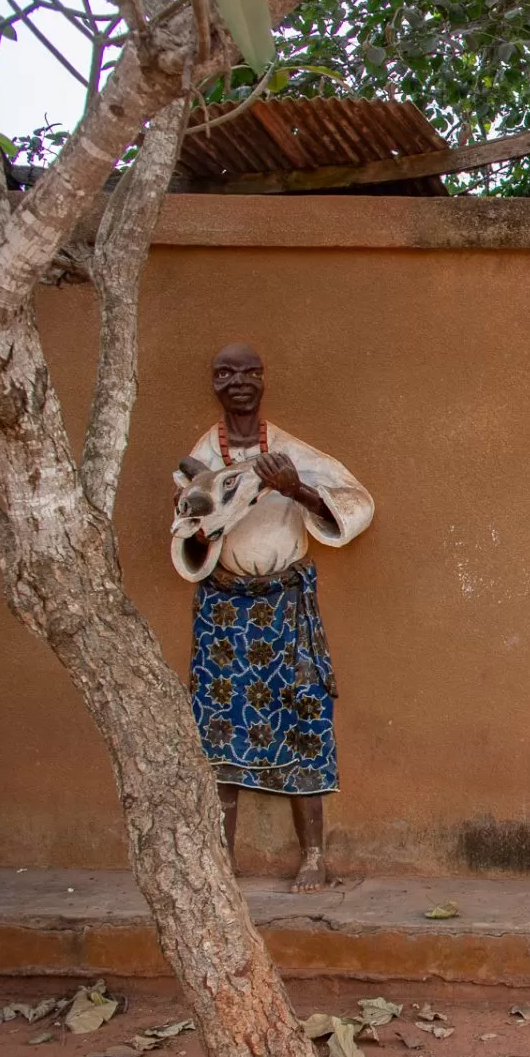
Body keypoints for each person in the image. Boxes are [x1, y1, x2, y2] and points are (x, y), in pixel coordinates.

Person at [170, 344, 373, 892]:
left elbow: (357, 502)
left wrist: (294, 489)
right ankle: (219, 860)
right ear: (214, 384)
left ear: (263, 381)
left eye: (248, 372)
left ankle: (312, 857)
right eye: (225, 373)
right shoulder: (202, 456)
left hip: (285, 605)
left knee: (304, 716)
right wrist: (205, 501)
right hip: (223, 608)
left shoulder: (288, 452)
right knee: (216, 727)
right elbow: (189, 528)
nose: (237, 382)